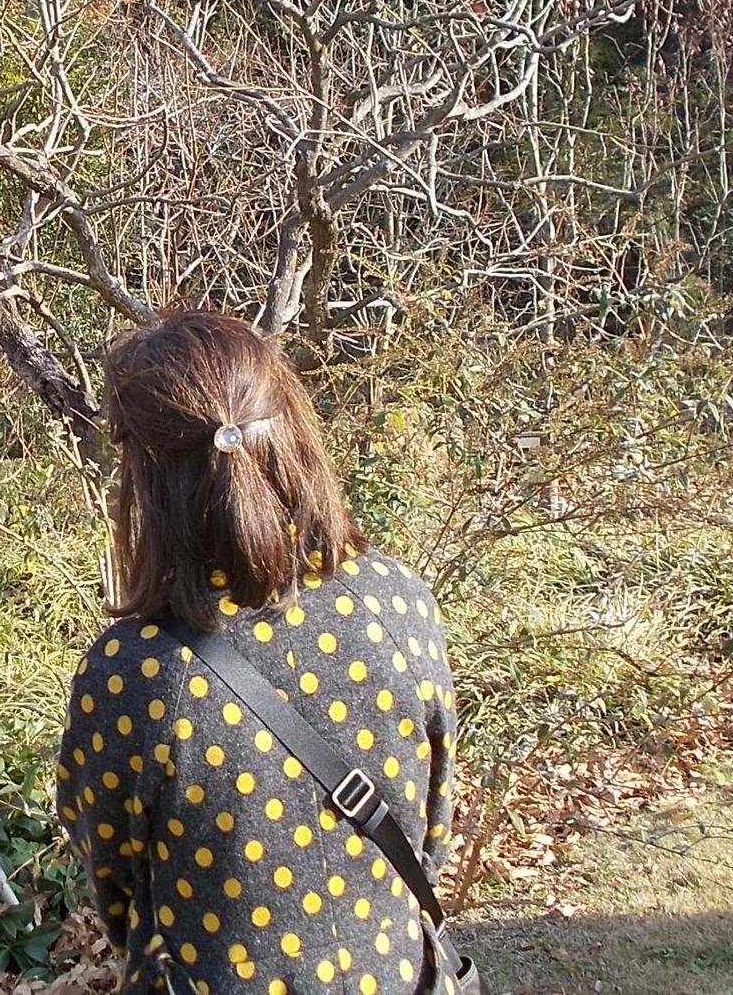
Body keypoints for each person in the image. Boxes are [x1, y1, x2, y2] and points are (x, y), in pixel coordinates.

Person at [57, 309, 460, 994]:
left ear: (146, 483)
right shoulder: (398, 601)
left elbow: (116, 888)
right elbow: (433, 829)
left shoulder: (131, 675)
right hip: (397, 976)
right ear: (295, 433)